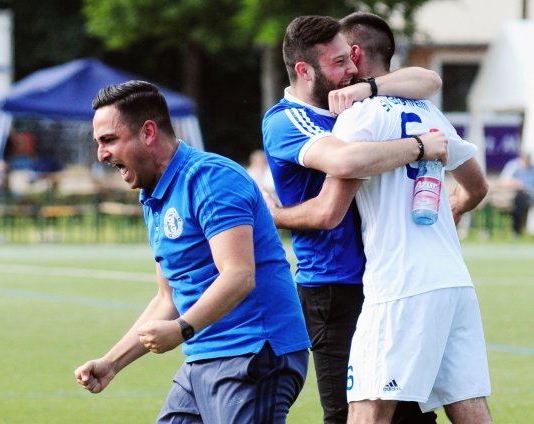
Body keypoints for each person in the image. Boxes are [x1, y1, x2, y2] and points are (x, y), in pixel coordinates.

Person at [266, 12, 492, 423]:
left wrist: (269, 216)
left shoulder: (359, 115)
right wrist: (445, 198)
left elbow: (330, 209)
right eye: (337, 63)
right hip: (449, 279)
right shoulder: (426, 111)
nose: (347, 70)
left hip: (395, 284)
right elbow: (477, 186)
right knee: (463, 407)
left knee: (362, 414)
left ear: (356, 53)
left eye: (346, 59)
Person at [74, 80, 311, 423]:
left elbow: (239, 275)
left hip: (253, 352)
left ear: (148, 132)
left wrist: (183, 328)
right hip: (203, 357)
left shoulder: (211, 179)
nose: (101, 154)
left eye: (109, 140)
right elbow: (166, 299)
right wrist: (112, 362)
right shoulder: (154, 194)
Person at [500, 150, 534, 235]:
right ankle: (516, 230)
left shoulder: (532, 169)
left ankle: (518, 230)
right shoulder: (513, 167)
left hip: (531, 195)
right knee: (520, 199)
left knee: (523, 199)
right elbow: (503, 181)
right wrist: (516, 183)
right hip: (515, 195)